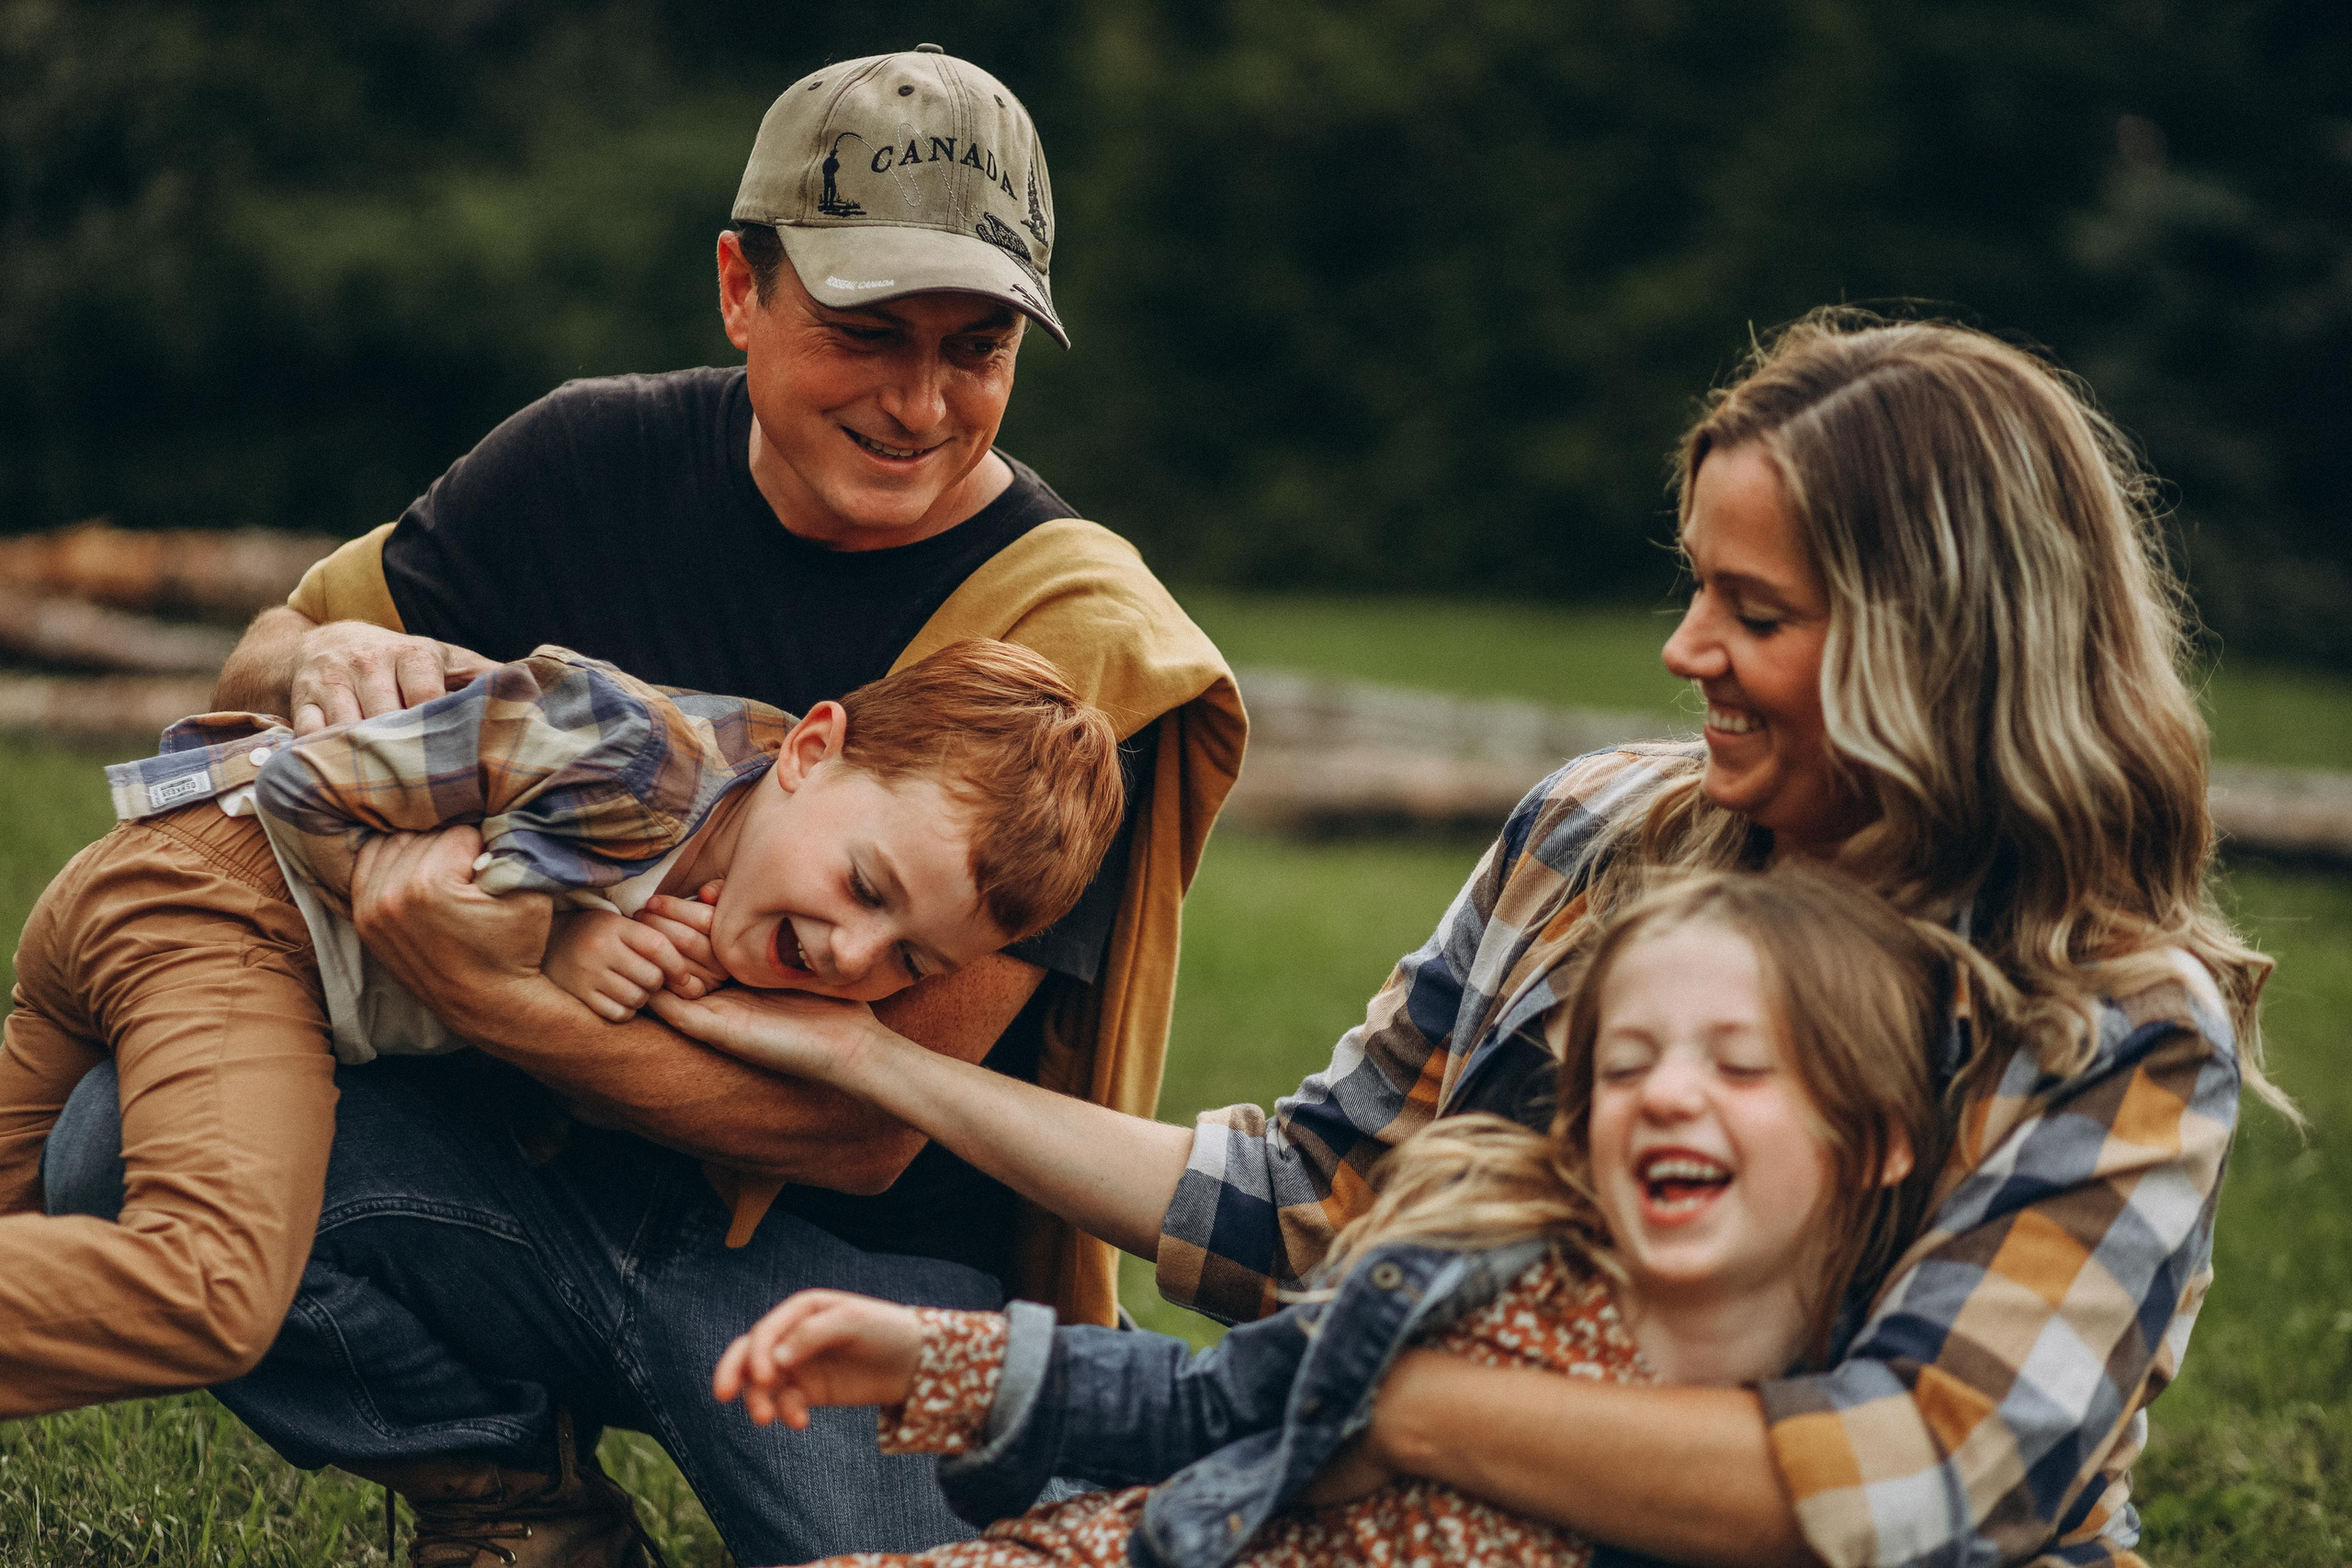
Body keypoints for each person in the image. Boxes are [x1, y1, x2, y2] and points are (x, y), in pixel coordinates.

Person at [652, 311, 2277, 1568]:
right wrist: (879, 1061)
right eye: (1696, 585)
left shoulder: (2112, 1019)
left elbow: (1913, 1477)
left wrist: (1388, 1399)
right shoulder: (1602, 832)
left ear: (1942, 652)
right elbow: (1314, 1201)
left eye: (1756, 615)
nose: (1683, 646)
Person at [33, 42, 1243, 1568]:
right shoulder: (580, 457)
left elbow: (857, 1121)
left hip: (854, 1275)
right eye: (869, 330)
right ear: (742, 286)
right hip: (519, 1180)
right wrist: (321, 650)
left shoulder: (1072, 646)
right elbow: (268, 653)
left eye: (980, 344)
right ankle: (510, 1492)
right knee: (120, 1141)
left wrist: (492, 988)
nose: (925, 399)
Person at [0, 639, 1123, 1426]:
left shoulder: (738, 917)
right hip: (222, 904)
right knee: (212, 1290)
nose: (852, 957)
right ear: (810, 750)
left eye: (909, 963)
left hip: (213, 928)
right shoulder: (630, 753)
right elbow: (305, 782)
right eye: (867, 887)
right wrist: (543, 928)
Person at [707, 865, 1961, 1568]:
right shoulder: (1480, 1272)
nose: (1672, 1092)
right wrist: (946, 1360)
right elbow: (1212, 1404)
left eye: (1741, 1066)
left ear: (1880, 1136)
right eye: (1626, 1067)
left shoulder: (1847, 1430)